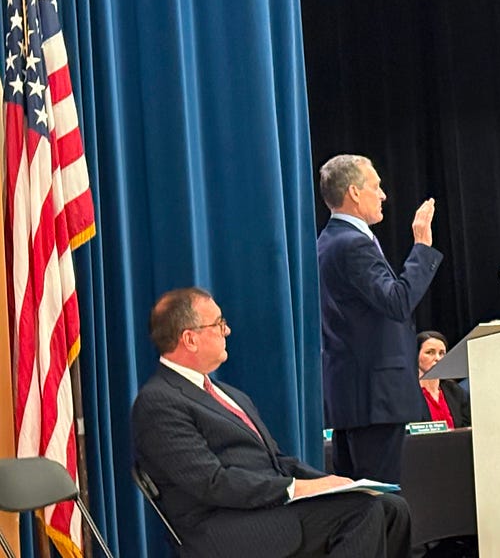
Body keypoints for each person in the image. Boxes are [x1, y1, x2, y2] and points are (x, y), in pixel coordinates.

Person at [132, 287, 412, 557]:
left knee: (392, 507)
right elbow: (212, 483)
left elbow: (277, 461)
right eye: (219, 324)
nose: (227, 331)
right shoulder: (159, 402)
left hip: (268, 509)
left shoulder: (230, 394)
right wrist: (295, 488)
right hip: (225, 526)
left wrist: (333, 483)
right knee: (362, 513)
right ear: (190, 339)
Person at [317, 153, 443, 483]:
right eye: (376, 186)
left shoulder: (329, 240)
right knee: (379, 498)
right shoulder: (351, 244)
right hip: (375, 398)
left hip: (353, 396)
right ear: (355, 192)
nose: (383, 195)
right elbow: (397, 303)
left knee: (358, 498)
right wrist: (422, 247)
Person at [417, 331, 470, 428]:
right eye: (430, 352)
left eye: (441, 353)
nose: (437, 358)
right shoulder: (407, 393)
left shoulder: (455, 391)